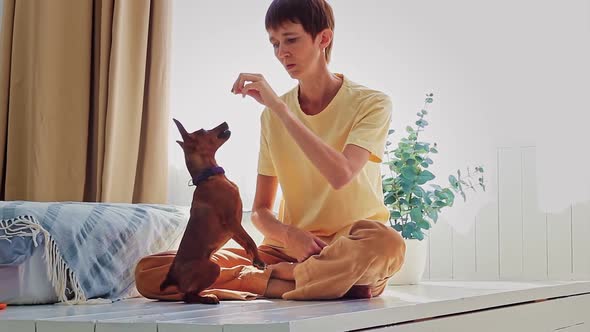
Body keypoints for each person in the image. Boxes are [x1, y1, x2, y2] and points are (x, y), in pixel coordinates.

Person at [135, 0, 405, 301]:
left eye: (291, 40)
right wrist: (290, 235)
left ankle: (268, 282)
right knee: (150, 271)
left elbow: (341, 174)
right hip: (286, 251)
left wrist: (279, 108)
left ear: (323, 39)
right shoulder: (271, 118)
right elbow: (262, 210)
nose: (281, 53)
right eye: (274, 43)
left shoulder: (372, 103)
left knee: (387, 244)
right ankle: (311, 284)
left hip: (351, 245)